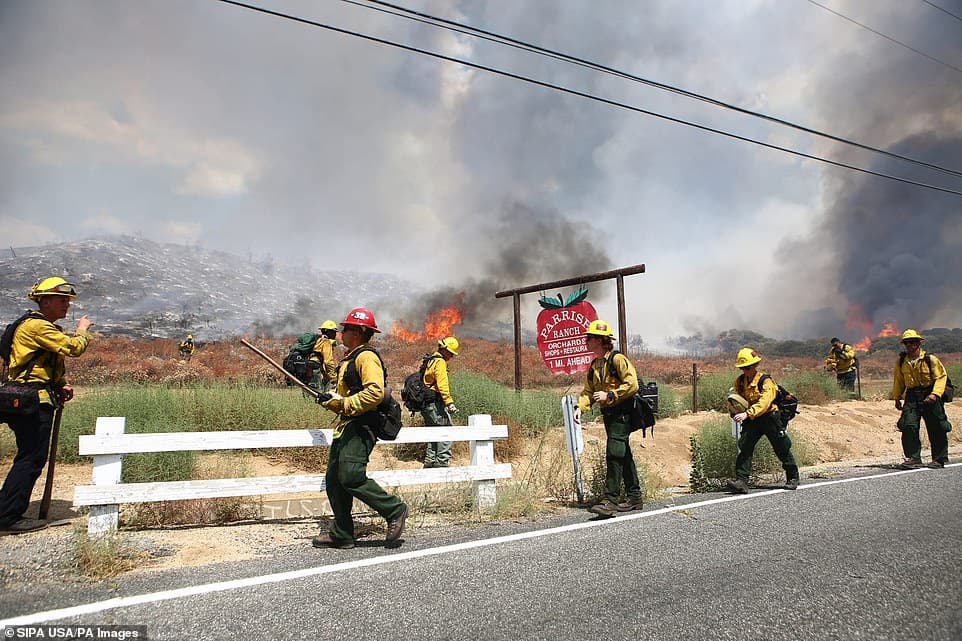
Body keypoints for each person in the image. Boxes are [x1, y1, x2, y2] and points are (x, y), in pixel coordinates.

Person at [0, 277, 91, 535]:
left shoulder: (36, 325)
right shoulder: (38, 326)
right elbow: (72, 348)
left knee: (28, 456)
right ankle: (8, 516)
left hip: (29, 395)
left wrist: (59, 382)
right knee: (31, 458)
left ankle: (7, 507)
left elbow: (42, 362)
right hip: (32, 401)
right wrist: (83, 329)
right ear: (45, 301)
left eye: (68, 301)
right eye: (62, 300)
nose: (67, 306)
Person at [312, 307, 408, 549]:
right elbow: (347, 395)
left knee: (351, 476)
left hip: (362, 425)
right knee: (334, 480)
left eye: (346, 329)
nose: (341, 332)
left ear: (359, 331)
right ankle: (342, 533)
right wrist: (331, 400)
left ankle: (395, 510)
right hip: (347, 426)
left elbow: (375, 391)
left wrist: (343, 403)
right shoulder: (350, 358)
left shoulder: (366, 357)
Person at [574, 320, 643, 517]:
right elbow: (588, 391)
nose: (586, 341)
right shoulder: (595, 366)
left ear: (600, 340)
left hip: (622, 413)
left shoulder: (617, 359)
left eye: (589, 338)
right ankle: (634, 497)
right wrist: (581, 407)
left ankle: (611, 500)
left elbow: (633, 384)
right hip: (610, 416)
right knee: (623, 453)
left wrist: (610, 395)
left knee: (614, 453)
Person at [726, 348, 799, 493]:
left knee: (782, 446)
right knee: (745, 447)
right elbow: (733, 397)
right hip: (752, 419)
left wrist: (747, 414)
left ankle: (793, 477)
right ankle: (742, 481)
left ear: (755, 366)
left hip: (769, 417)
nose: (745, 370)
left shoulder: (766, 381)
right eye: (742, 368)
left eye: (747, 367)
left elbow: (765, 402)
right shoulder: (740, 382)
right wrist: (732, 410)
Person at [892, 329, 952, 469]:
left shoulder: (930, 359)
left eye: (913, 342)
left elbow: (941, 377)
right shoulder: (902, 361)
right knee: (908, 425)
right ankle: (914, 458)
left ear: (919, 343)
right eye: (907, 342)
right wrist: (897, 398)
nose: (910, 345)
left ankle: (939, 458)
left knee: (937, 426)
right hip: (912, 396)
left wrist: (935, 394)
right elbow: (899, 381)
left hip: (930, 394)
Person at [422, 336, 460, 468]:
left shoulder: (431, 359)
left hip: (427, 404)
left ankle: (430, 463)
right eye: (450, 353)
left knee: (433, 433)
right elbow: (442, 384)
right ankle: (441, 465)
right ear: (444, 350)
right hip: (435, 403)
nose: (451, 356)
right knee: (445, 431)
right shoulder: (440, 362)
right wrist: (449, 402)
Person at [308, 320, 338, 393]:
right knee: (317, 391)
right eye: (334, 332)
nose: (335, 334)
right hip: (316, 367)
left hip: (309, 365)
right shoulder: (326, 342)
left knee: (310, 388)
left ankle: (307, 402)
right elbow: (328, 362)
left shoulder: (318, 339)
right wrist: (334, 378)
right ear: (328, 332)